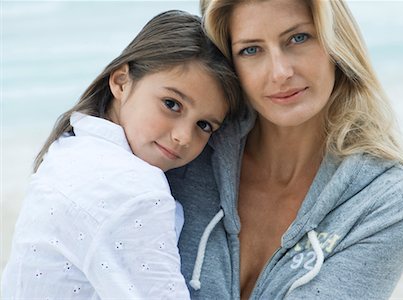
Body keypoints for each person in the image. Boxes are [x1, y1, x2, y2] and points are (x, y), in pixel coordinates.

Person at [165, 0, 403, 299]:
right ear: (231, 65)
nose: (280, 72)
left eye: (298, 38)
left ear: (336, 41)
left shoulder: (388, 201)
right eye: (251, 50)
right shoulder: (184, 154)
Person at [1, 10, 241, 299]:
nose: (183, 137)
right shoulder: (134, 190)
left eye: (204, 125)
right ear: (121, 81)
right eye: (171, 104)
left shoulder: (71, 146)